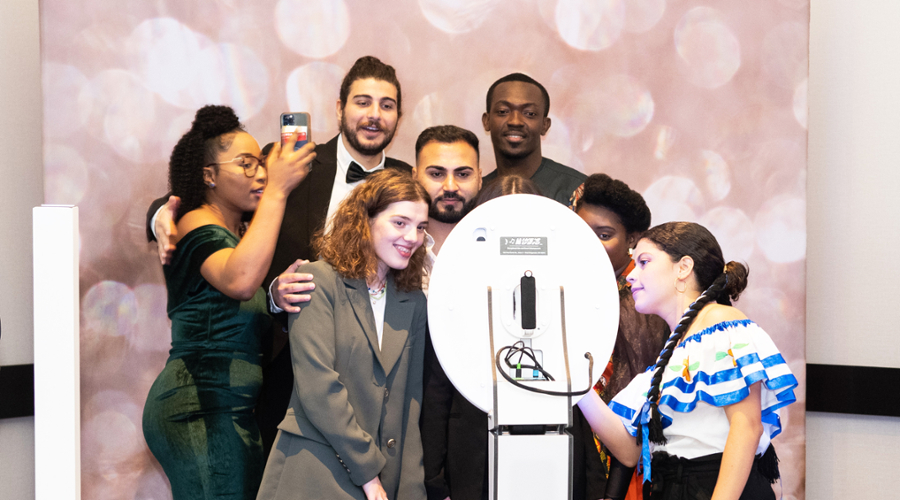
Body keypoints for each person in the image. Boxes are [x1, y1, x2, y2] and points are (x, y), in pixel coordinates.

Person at [146, 55, 413, 456]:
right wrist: (159, 217)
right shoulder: (288, 161)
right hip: (286, 363)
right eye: (362, 102)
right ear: (340, 109)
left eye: (386, 105)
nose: (374, 115)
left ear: (398, 116)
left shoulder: (407, 180)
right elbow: (206, 196)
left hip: (374, 366)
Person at [142, 105, 315, 499]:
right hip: (198, 406)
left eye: (261, 165)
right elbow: (239, 281)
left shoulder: (232, 232)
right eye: (246, 164)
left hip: (231, 411)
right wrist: (277, 189)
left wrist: (274, 298)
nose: (259, 173)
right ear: (209, 174)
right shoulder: (193, 222)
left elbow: (236, 300)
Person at [576, 222, 798, 500]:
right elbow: (628, 451)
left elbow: (747, 426)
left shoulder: (720, 323)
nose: (631, 275)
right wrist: (574, 382)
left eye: (644, 262)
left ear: (683, 268)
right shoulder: (671, 354)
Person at [421, 170, 608, 500]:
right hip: (474, 454)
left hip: (556, 442)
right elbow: (438, 392)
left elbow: (579, 387)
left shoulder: (567, 289)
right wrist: (435, 481)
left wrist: (593, 480)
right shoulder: (455, 292)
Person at [256, 169, 429, 500]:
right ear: (365, 220)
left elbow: (410, 403)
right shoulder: (317, 280)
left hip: (383, 481)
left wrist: (410, 490)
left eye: (421, 227)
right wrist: (368, 475)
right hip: (313, 471)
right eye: (400, 223)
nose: (412, 237)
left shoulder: (413, 301)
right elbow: (319, 388)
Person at [571, 174, 671, 500]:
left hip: (626, 467)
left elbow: (636, 416)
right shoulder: (576, 286)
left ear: (633, 239)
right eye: (582, 231)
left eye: (604, 235)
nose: (589, 243)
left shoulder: (641, 302)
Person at [481, 73, 586, 205]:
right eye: (503, 111)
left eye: (529, 114)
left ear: (545, 125)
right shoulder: (475, 193)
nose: (515, 121)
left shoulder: (576, 191)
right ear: (486, 121)